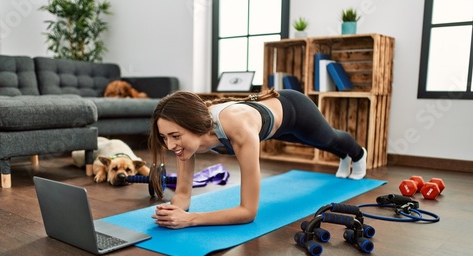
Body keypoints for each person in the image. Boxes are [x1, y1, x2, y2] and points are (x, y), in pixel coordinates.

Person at [149, 88, 367, 229]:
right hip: (272, 125)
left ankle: (356, 154)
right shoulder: (184, 142)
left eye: (175, 137)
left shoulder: (237, 127)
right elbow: (183, 195)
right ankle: (342, 156)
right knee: (315, 142)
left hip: (295, 110)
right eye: (164, 137)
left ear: (195, 126)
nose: (170, 146)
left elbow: (247, 212)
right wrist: (171, 211)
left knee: (327, 139)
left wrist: (191, 219)